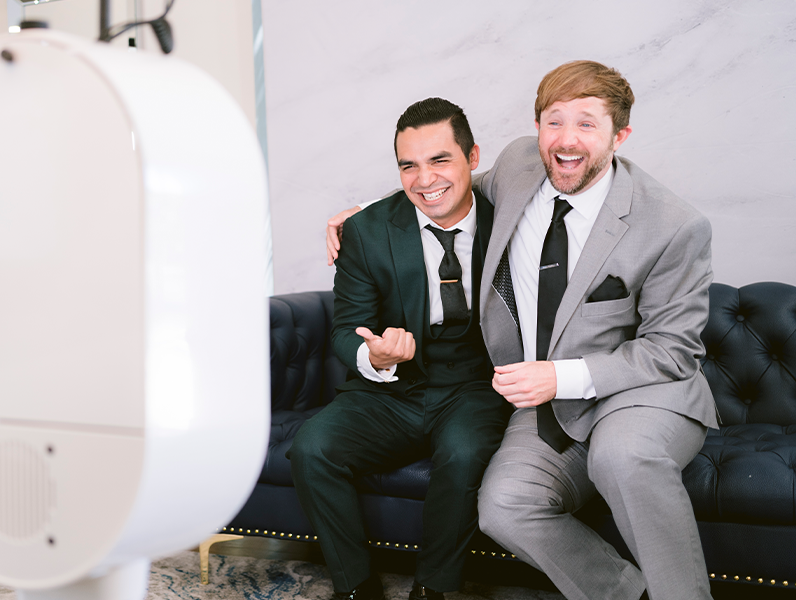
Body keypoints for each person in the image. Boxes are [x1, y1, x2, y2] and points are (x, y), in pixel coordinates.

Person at [325, 61, 717, 600]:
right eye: (553, 121)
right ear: (537, 128)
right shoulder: (519, 166)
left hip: (641, 394)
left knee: (620, 457)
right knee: (504, 506)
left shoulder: (674, 225)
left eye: (586, 123)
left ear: (619, 135)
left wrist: (559, 375)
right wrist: (364, 215)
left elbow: (673, 352)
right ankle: (629, 594)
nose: (566, 139)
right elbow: (448, 185)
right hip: (547, 404)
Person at [289, 98, 511, 600]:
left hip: (473, 385)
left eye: (439, 160)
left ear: (473, 157)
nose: (424, 179)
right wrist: (376, 357)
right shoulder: (367, 231)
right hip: (390, 392)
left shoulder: (513, 220)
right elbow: (346, 328)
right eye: (408, 165)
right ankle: (355, 587)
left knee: (465, 451)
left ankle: (433, 590)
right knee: (312, 447)